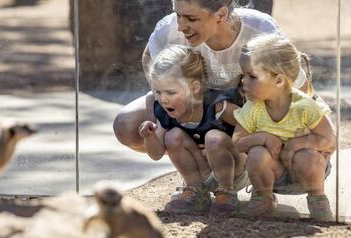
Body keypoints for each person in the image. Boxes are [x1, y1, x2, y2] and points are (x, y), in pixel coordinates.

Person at [114, 0, 289, 153]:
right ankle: (191, 155)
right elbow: (149, 57)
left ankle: (241, 158)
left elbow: (290, 82)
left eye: (191, 18)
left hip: (243, 105)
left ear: (220, 14)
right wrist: (165, 98)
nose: (181, 26)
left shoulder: (259, 28)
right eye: (177, 15)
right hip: (193, 101)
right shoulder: (169, 30)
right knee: (126, 126)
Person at [232, 33, 336, 221]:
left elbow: (329, 140)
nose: (243, 82)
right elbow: (237, 143)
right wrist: (262, 138)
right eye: (243, 75)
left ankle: (317, 199)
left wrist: (296, 145)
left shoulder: (305, 106)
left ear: (279, 81)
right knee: (257, 153)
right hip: (272, 173)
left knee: (308, 156)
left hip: (306, 173)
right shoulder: (252, 108)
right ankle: (263, 198)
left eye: (252, 76)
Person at [138, 45, 247, 216]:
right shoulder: (164, 112)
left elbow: (248, 125)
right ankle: (196, 191)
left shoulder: (216, 105)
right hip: (204, 171)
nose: (163, 99)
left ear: (194, 88)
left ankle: (227, 192)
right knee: (173, 136)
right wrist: (149, 136)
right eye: (158, 92)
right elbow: (156, 154)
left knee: (213, 138)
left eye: (171, 92)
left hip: (234, 170)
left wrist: (231, 143)